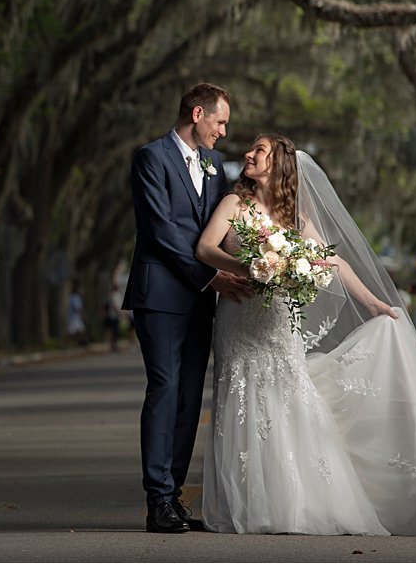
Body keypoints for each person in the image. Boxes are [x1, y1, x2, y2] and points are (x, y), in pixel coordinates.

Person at [195, 134, 416, 535]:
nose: (247, 155)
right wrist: (248, 266)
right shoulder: (234, 205)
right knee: (241, 397)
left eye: (258, 151)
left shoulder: (296, 219)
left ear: (279, 164)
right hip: (238, 317)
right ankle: (248, 503)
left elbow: (331, 260)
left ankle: (299, 501)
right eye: (250, 149)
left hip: (278, 322)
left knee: (289, 396)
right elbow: (204, 248)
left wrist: (373, 304)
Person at [123, 83, 250, 534]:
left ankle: (174, 497)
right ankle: (156, 499)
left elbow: (219, 225)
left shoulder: (215, 165)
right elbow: (159, 230)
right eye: (220, 122)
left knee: (190, 396)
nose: (222, 131)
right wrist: (210, 275)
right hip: (159, 294)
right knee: (165, 388)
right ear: (198, 114)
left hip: (202, 301)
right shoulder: (150, 158)